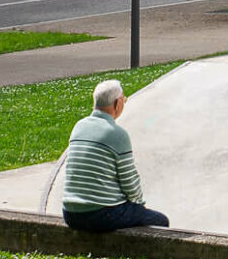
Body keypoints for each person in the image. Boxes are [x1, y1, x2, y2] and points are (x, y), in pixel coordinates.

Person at [60, 79, 169, 233]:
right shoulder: (117, 134)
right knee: (160, 221)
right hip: (100, 213)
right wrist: (139, 206)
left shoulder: (79, 126)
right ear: (117, 103)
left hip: (70, 213)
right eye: (124, 100)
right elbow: (129, 181)